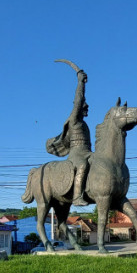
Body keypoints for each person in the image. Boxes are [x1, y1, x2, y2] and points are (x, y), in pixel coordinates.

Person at [46, 67, 91, 206]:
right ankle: (77, 197)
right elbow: (78, 99)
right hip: (77, 155)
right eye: (85, 106)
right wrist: (80, 83)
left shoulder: (85, 125)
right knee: (82, 165)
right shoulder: (74, 120)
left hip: (88, 152)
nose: (87, 107)